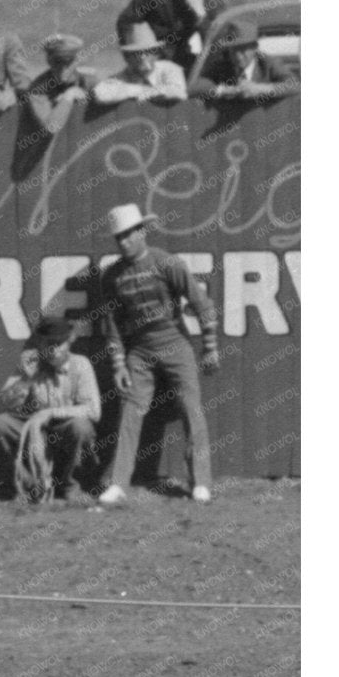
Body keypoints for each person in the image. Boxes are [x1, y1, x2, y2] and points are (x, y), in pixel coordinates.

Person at [84, 202, 219, 505]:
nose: (124, 242)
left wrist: (210, 348)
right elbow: (113, 324)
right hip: (140, 350)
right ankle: (118, 484)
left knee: (191, 408)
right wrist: (118, 365)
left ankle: (201, 482)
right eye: (119, 237)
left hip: (175, 342)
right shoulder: (112, 276)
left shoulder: (167, 263)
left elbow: (202, 304)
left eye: (129, 234)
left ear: (142, 231)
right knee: (130, 411)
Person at [0, 310, 102, 502]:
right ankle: (33, 487)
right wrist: (26, 380)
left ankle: (70, 487)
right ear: (40, 344)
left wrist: (50, 413)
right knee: (0, 423)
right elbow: (3, 406)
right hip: (36, 432)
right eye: (49, 344)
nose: (53, 350)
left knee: (81, 427)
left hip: (65, 431)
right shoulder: (31, 364)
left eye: (59, 344)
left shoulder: (81, 365)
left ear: (69, 342)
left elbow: (93, 410)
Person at [190, 20, 299, 102]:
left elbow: (295, 85)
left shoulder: (268, 63)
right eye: (234, 50)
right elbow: (195, 87)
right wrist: (224, 90)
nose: (238, 56)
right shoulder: (222, 65)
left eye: (242, 49)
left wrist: (260, 89)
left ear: (255, 47)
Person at [90, 24, 188, 106]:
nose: (142, 57)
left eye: (147, 52)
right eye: (136, 53)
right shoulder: (122, 76)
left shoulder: (169, 68)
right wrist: (139, 90)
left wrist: (146, 92)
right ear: (127, 58)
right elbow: (100, 94)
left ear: (156, 54)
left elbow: (179, 93)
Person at [23, 33, 99, 133]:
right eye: (57, 62)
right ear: (49, 62)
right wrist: (69, 95)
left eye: (68, 62)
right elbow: (52, 127)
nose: (63, 69)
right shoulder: (38, 89)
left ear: (77, 61)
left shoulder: (88, 80)